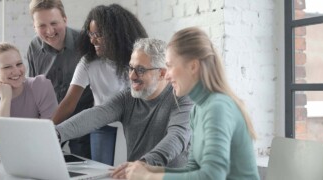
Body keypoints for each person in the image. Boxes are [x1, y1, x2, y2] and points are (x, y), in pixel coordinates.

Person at [125, 27, 260, 180]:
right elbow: (193, 169)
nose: (167, 76)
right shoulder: (197, 109)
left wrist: (149, 177)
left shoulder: (218, 107)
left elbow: (212, 176)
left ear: (193, 66)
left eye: (169, 66)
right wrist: (149, 170)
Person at [56, 38, 192, 174]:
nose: (132, 76)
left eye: (140, 70)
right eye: (131, 68)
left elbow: (177, 136)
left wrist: (144, 164)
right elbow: (96, 114)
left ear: (161, 73)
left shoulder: (182, 97)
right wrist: (56, 133)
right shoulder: (127, 98)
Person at [51, 4, 148, 165]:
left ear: (116, 34)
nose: (92, 40)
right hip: (101, 125)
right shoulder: (88, 62)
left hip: (134, 126)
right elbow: (69, 103)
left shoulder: (137, 60)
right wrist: (47, 130)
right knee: (102, 172)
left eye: (99, 34)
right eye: (90, 33)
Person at [27, 0, 94, 158]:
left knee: (84, 167)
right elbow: (33, 91)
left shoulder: (86, 43)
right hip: (48, 120)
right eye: (42, 26)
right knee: (40, 163)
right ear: (34, 27)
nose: (49, 31)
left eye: (54, 23)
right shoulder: (34, 47)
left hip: (82, 121)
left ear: (65, 19)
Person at [0, 42, 58, 154]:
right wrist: (5, 99)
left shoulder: (40, 86)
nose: (16, 71)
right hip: (0, 165)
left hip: (39, 158)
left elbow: (50, 138)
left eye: (19, 64)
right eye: (7, 67)